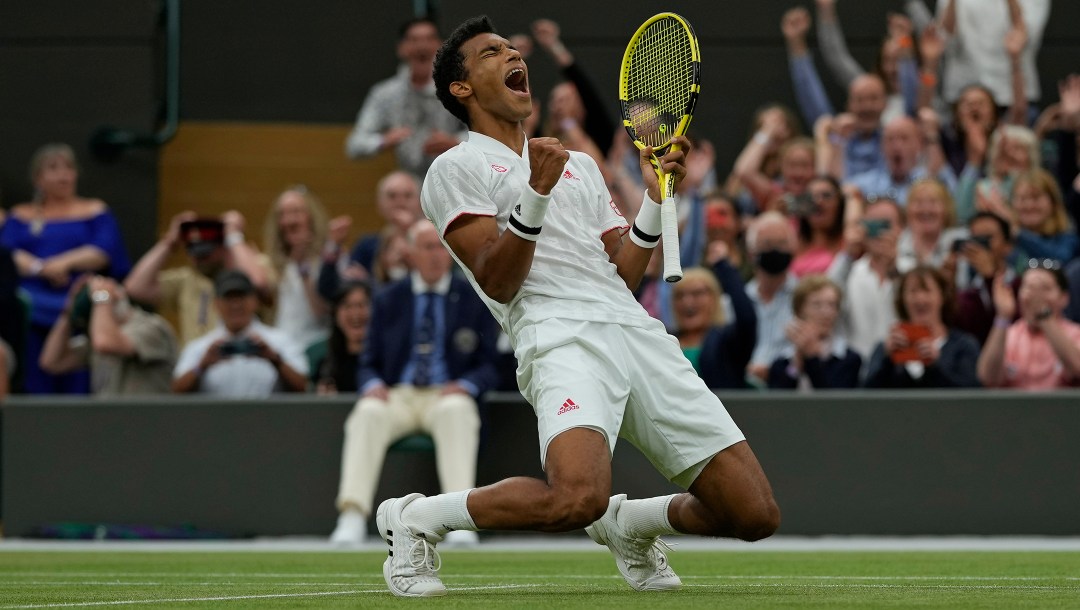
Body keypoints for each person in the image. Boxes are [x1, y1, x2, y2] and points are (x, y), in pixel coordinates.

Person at [372, 16, 779, 598]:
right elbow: (499, 279)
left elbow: (622, 274)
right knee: (574, 499)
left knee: (754, 513)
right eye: (492, 53)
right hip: (558, 335)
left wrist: (653, 202)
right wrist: (535, 193)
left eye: (513, 48)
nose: (514, 55)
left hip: (634, 331)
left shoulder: (580, 166)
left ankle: (628, 525)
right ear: (461, 88)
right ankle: (417, 517)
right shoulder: (452, 169)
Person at [329, 220, 499, 547]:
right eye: (427, 247)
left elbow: (491, 365)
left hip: (446, 392)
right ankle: (351, 515)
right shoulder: (389, 298)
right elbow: (367, 362)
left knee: (457, 409)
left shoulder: (471, 296)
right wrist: (373, 384)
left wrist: (467, 383)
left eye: (440, 247)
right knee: (367, 412)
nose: (436, 255)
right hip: (399, 394)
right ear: (411, 253)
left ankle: (459, 519)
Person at [0, 143, 131, 394]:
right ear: (38, 178)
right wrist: (40, 268)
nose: (63, 175)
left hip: (84, 301)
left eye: (69, 168)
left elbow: (103, 251)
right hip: (31, 307)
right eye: (53, 168)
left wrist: (63, 263)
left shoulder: (96, 210)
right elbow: (7, 255)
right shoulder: (20, 216)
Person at [124, 211, 272, 346]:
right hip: (196, 367)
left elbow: (257, 282)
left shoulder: (253, 265)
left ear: (224, 246)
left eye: (205, 254)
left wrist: (234, 237)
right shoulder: (189, 278)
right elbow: (135, 287)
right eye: (194, 253)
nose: (199, 260)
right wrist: (169, 242)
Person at [344, 18, 465, 177]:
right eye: (414, 40)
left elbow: (487, 136)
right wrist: (384, 140)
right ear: (401, 48)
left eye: (429, 39)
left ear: (442, 47)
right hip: (410, 183)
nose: (422, 46)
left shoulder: (459, 89)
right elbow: (354, 145)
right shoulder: (385, 94)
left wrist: (456, 141)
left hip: (455, 176)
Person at [172, 270, 308, 397]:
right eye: (229, 298)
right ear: (216, 304)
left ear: (255, 301)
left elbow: (303, 387)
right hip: (216, 420)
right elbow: (176, 392)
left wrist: (275, 361)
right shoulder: (200, 347)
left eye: (241, 297)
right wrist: (201, 366)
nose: (236, 305)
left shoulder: (280, 341)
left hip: (268, 419)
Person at [39, 275, 178, 395]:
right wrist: (68, 312)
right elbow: (52, 362)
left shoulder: (152, 327)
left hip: (149, 421)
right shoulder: (98, 334)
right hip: (110, 422)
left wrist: (102, 297)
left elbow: (105, 343)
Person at [863, 266, 981, 388]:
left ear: (943, 297)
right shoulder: (884, 349)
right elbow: (866, 397)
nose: (920, 299)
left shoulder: (963, 346)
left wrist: (934, 366)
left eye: (927, 291)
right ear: (902, 299)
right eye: (913, 291)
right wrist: (887, 360)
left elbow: (970, 396)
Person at [317, 171, 422, 300]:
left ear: (421, 202)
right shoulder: (367, 246)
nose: (400, 202)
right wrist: (333, 246)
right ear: (379, 204)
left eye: (407, 196)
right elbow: (332, 291)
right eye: (392, 196)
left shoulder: (437, 241)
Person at [977, 261, 1080, 389]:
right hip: (1016, 408)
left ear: (1064, 297)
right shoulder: (1010, 334)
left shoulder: (1075, 334)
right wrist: (1003, 317)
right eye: (1029, 287)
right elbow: (987, 377)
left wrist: (1044, 316)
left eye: (1045, 288)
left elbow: (1077, 368)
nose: (1035, 296)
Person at [670, 244, 757, 390]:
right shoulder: (665, 339)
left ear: (714, 299)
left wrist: (724, 266)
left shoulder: (727, 341)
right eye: (680, 296)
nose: (687, 302)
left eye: (697, 294)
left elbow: (747, 320)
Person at [828, 196, 905, 361]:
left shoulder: (914, 269)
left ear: (901, 229)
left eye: (885, 225)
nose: (879, 233)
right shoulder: (849, 270)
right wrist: (848, 254)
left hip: (902, 370)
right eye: (872, 225)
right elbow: (827, 296)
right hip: (858, 370)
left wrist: (893, 268)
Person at [262, 186, 332, 351]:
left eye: (296, 212)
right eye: (282, 215)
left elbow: (321, 312)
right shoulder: (272, 262)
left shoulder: (329, 258)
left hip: (316, 346)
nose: (289, 221)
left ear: (311, 217)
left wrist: (304, 269)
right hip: (282, 347)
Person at [767, 275, 861, 390]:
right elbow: (778, 399)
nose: (826, 313)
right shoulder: (784, 359)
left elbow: (831, 401)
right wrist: (796, 364)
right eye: (817, 305)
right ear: (799, 311)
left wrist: (812, 358)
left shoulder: (849, 358)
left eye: (832, 305)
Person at [744, 212, 800, 386]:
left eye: (782, 244)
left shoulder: (804, 299)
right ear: (752, 253)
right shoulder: (737, 302)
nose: (775, 250)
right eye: (767, 244)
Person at [954, 212, 1022, 344]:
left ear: (1008, 246)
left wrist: (991, 278)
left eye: (987, 238)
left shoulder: (1021, 285)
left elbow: (1015, 326)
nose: (980, 246)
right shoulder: (967, 289)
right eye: (975, 239)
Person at [1007, 169, 1079, 264]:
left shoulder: (1068, 239)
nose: (1029, 205)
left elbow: (1061, 259)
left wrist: (1020, 234)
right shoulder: (1007, 241)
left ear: (1053, 202)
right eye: (1022, 199)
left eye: (1035, 198)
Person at [312, 280, 371, 395]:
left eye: (361, 305)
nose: (355, 313)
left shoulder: (387, 364)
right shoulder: (326, 368)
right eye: (347, 306)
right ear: (336, 315)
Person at [896, 178, 967, 273]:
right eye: (918, 202)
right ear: (907, 210)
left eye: (933, 202)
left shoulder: (961, 244)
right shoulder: (896, 244)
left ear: (947, 209)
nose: (926, 209)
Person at [790, 175, 846, 278]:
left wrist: (852, 198)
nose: (818, 201)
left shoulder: (848, 242)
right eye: (811, 197)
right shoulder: (793, 241)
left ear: (840, 203)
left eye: (826, 195)